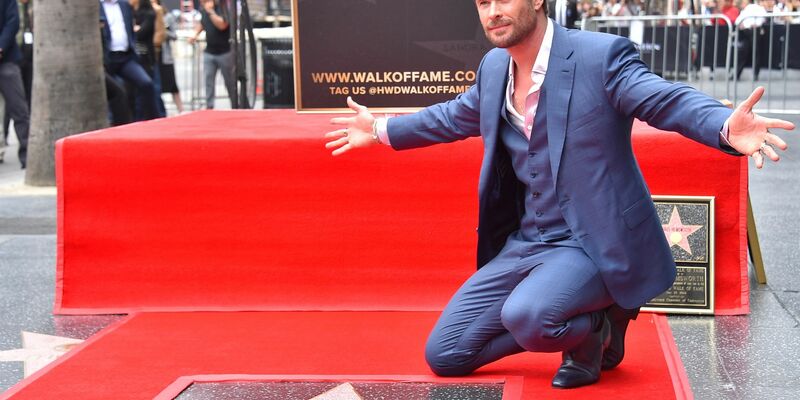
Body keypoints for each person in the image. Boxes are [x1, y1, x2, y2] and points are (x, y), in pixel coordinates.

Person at [324, 0, 794, 389]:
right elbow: (454, 115)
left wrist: (723, 125)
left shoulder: (599, 56)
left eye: (503, 0)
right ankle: (587, 325)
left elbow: (663, 99)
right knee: (445, 354)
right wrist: (380, 129)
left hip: (594, 242)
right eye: (483, 3)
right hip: (528, 240)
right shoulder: (494, 68)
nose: (492, 11)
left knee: (527, 316)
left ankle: (587, 329)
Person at [100, 0, 157, 121]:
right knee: (117, 92)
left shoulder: (124, 5)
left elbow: (129, 27)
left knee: (146, 83)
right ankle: (116, 123)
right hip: (108, 58)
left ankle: (149, 120)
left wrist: (133, 45)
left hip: (126, 56)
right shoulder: (98, 6)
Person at [188, 0, 236, 110]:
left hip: (224, 52)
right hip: (209, 51)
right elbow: (202, 23)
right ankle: (209, 106)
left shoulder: (222, 9)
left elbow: (222, 25)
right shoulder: (204, 11)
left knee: (229, 82)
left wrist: (211, 12)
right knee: (208, 81)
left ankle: (235, 105)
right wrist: (195, 34)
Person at [0, 0, 29, 169]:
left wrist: (1, 47)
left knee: (19, 110)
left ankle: (27, 156)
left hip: (7, 60)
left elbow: (13, 22)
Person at [154, 0, 183, 114]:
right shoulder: (148, 15)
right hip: (153, 56)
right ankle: (160, 110)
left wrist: (163, 31)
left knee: (172, 85)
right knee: (156, 85)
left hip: (165, 56)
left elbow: (174, 35)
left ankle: (181, 110)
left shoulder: (168, 16)